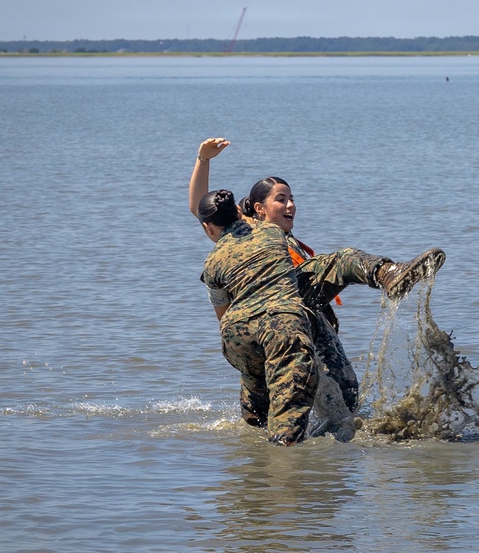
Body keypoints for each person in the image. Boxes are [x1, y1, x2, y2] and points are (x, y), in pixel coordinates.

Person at [190, 137, 445, 413]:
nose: (290, 206)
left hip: (307, 317)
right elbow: (200, 209)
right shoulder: (245, 230)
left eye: (292, 199)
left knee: (345, 394)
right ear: (259, 209)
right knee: (342, 260)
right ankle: (389, 274)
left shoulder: (287, 237)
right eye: (281, 199)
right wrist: (203, 159)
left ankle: (325, 449)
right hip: (268, 318)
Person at [198, 189, 319, 445]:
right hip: (282, 325)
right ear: (240, 212)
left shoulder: (211, 264)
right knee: (288, 432)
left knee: (257, 414)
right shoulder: (273, 232)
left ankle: (255, 472)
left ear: (207, 228)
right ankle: (286, 468)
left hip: (237, 337)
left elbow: (224, 316)